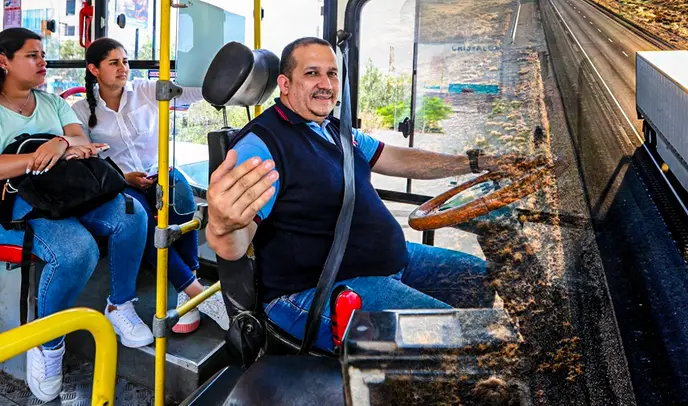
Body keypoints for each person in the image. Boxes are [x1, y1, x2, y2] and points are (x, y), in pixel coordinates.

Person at [207, 37, 507, 351]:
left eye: (332, 74)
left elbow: (396, 157)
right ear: (285, 84)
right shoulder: (260, 146)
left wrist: (473, 163)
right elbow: (234, 245)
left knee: (481, 278)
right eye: (312, 73)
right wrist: (222, 226)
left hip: (391, 262)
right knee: (466, 342)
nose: (326, 84)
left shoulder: (333, 128)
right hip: (318, 290)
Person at [0, 28, 152, 403]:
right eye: (32, 55)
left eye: (43, 55)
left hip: (64, 189)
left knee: (132, 212)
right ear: (4, 61)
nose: (43, 62)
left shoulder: (52, 103)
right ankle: (48, 344)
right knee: (77, 250)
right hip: (17, 198)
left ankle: (119, 303)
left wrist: (62, 143)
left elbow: (81, 139)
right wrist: (39, 157)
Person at [72, 37, 229, 334]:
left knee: (181, 199)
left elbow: (190, 92)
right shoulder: (81, 110)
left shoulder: (145, 90)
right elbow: (87, 157)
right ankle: (199, 293)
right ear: (94, 69)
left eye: (125, 61)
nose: (123, 68)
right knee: (143, 222)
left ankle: (187, 292)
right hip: (120, 181)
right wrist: (124, 177)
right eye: (114, 62)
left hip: (158, 170)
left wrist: (219, 80)